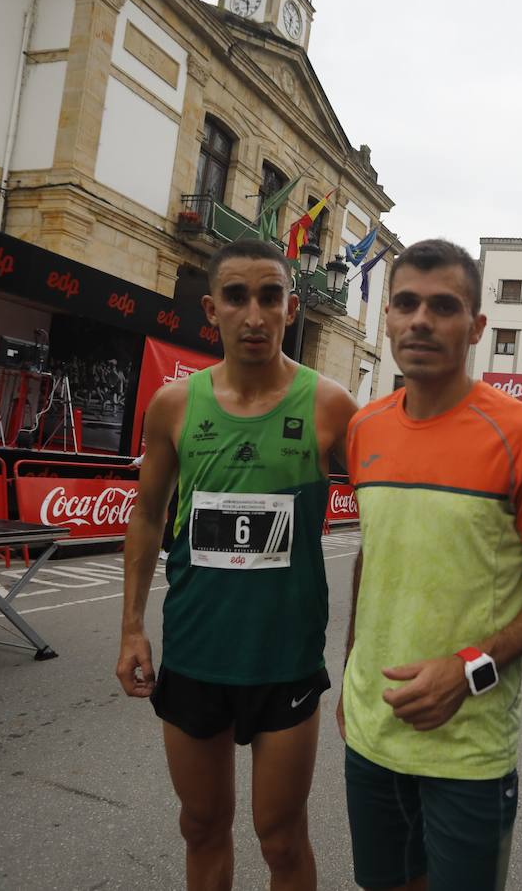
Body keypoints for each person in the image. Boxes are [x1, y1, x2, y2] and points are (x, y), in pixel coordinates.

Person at [338, 239, 522, 891]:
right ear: (387, 316)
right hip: (371, 728)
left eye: (443, 307)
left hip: (468, 748)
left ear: (476, 327)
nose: (421, 320)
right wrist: (350, 674)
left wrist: (468, 672)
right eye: (407, 304)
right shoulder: (364, 429)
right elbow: (376, 556)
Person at [115, 238, 359, 891]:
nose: (254, 314)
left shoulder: (330, 405)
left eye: (270, 296)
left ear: (291, 308)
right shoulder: (173, 405)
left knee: (281, 839)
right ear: (210, 308)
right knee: (201, 826)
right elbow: (146, 515)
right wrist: (132, 627)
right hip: (196, 654)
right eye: (237, 296)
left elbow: (389, 525)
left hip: (286, 663)